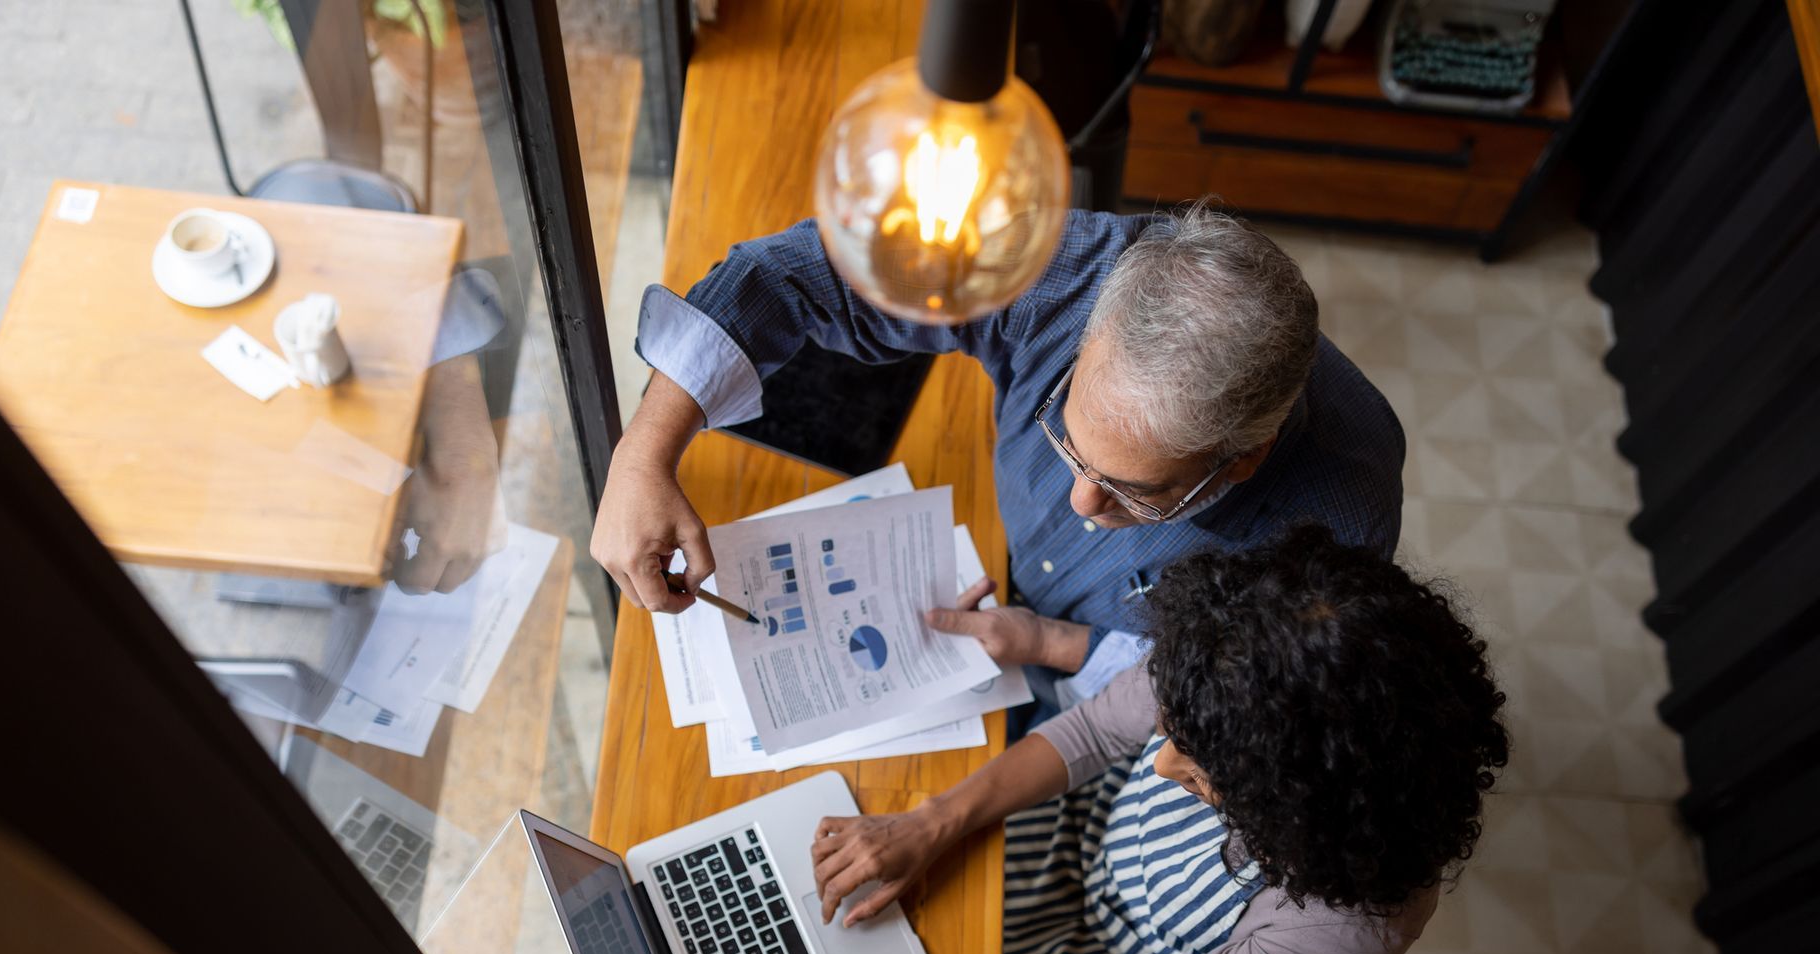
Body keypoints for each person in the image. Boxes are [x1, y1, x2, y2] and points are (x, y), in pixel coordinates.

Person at [698, 525, 1508, 954]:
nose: (1160, 767)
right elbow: (1093, 737)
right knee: (837, 937)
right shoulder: (1242, 656)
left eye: (1197, 775)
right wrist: (930, 822)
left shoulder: (1351, 929)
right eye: (1175, 742)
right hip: (1084, 838)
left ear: (1295, 810)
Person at [592, 203, 1406, 715]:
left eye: (1138, 493)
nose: (1084, 502)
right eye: (1068, 439)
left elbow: (1230, 691)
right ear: (1090, 329)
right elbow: (791, 276)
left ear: (1243, 459)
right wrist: (644, 453)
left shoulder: (1342, 517)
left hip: (1089, 684)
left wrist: (1053, 647)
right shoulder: (1070, 272)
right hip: (976, 560)